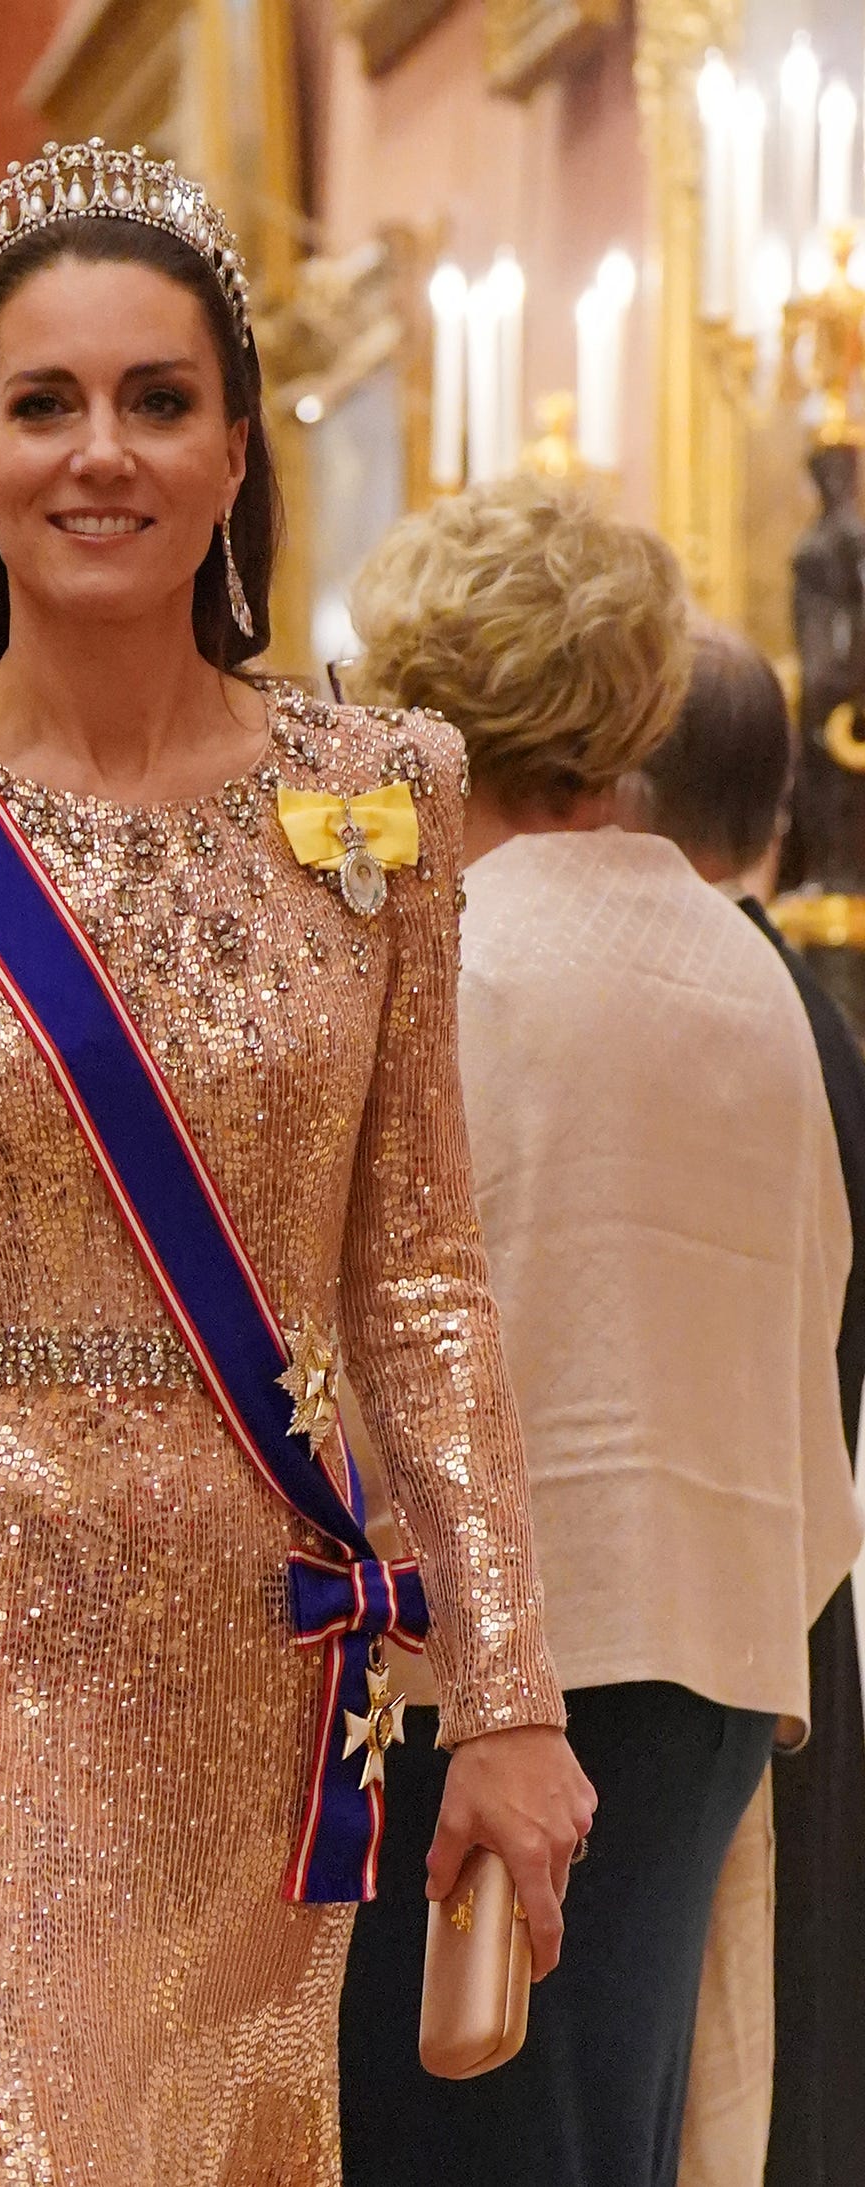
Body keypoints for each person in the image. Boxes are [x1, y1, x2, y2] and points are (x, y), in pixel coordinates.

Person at [0, 140, 593, 2185]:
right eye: (46, 402)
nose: (103, 453)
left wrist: (509, 1688)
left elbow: (422, 1276)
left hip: (272, 1633)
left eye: (156, 399)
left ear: (237, 448)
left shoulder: (386, 791)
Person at [339, 478, 864, 2187]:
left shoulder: (446, 952)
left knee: (449, 2128)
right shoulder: (738, 965)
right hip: (704, 1647)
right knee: (597, 2131)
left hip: (468, 1683)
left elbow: (368, 1334)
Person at [641, 624, 865, 2187]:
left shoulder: (683, 1004)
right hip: (796, 1578)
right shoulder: (816, 1017)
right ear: (778, 819)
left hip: (683, 1612)